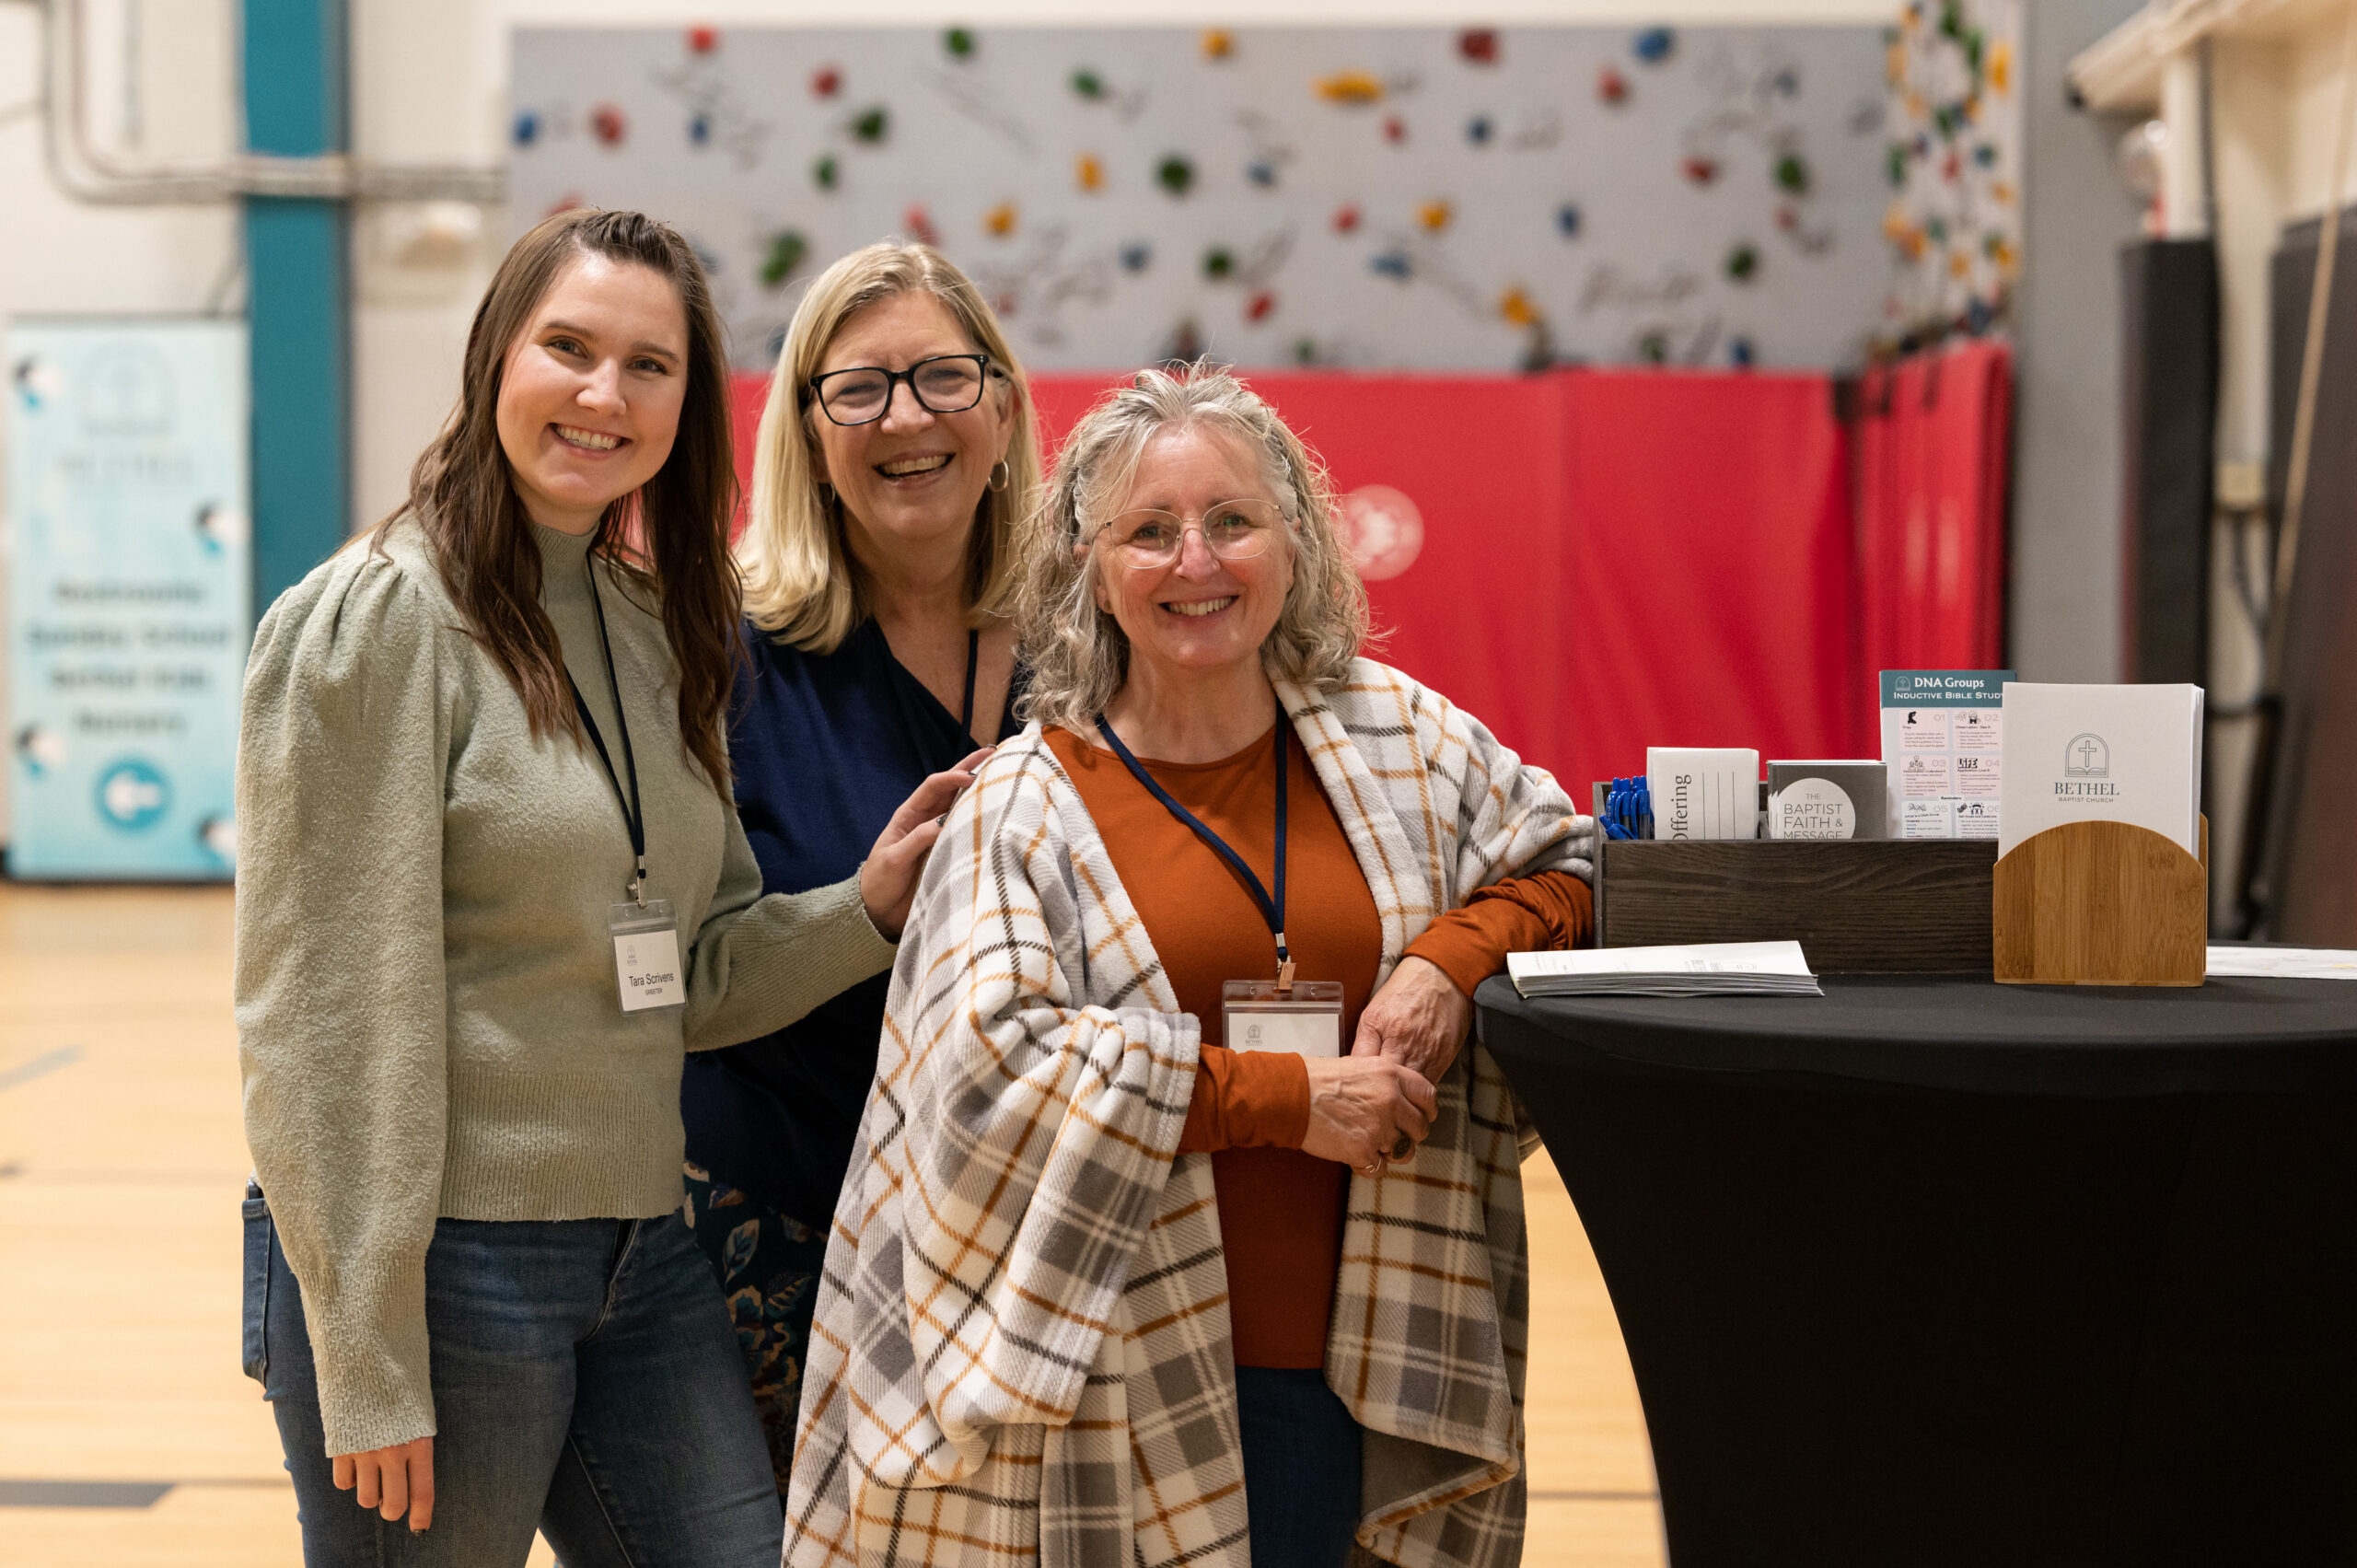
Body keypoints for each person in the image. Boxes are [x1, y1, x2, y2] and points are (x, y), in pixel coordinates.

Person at [235, 208, 976, 1566]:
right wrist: (370, 1355)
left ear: (688, 405)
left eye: (650, 365)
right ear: (493, 360)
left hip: (644, 1248)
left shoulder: (651, 620)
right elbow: (320, 1026)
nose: (603, 394)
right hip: (446, 1266)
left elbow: (692, 976)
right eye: (567, 348)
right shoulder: (377, 619)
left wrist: (869, 904)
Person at [784, 364, 1597, 1568]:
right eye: (1150, 532)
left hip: (1350, 1380)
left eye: (1231, 522)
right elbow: (989, 1079)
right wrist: (1286, 1101)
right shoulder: (1022, 805)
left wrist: (1442, 962)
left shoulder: (1402, 738)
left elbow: (1569, 862)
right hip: (1106, 1394)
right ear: (1092, 565)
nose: (1196, 563)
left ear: (1296, 539)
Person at [677, 240, 1037, 1492]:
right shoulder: (720, 655)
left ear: (1001, 406)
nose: (908, 418)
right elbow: (679, 969)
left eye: (942, 377)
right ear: (810, 434)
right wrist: (862, 909)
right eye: (860, 389)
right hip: (774, 1233)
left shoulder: (1101, 648)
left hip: (1027, 1245)